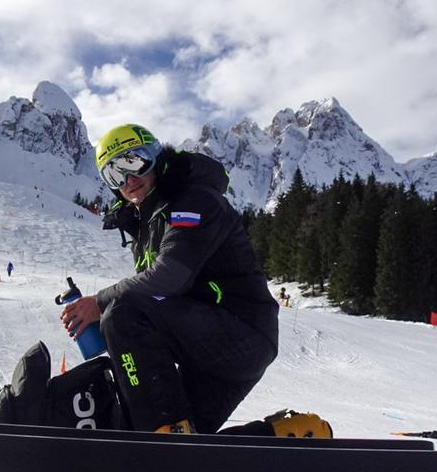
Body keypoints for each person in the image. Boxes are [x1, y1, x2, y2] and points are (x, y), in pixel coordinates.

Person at [60, 123, 306, 436]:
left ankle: (161, 436)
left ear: (156, 158)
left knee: (122, 311)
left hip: (240, 334)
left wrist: (99, 302)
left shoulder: (192, 200)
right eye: (114, 175)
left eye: (133, 163)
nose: (128, 180)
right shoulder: (148, 220)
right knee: (191, 441)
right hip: (211, 346)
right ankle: (292, 433)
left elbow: (169, 276)